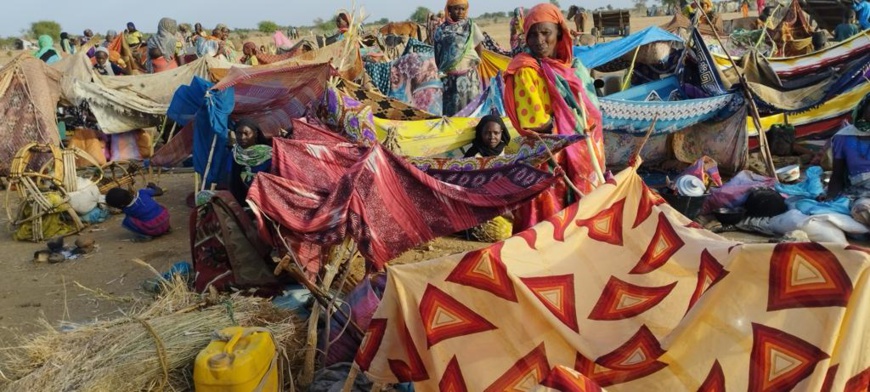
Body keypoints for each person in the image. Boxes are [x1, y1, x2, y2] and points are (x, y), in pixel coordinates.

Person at [503, 2, 604, 233]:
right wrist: (573, 124)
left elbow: (590, 112)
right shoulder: (525, 69)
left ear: (559, 32)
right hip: (547, 160)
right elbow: (538, 123)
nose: (539, 40)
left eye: (546, 33)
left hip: (572, 152)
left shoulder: (571, 68)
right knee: (547, 223)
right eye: (533, 34)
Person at [434, 0, 484, 116]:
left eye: (463, 9)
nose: (460, 12)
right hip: (450, 79)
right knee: (452, 111)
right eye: (456, 9)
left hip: (469, 76)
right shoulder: (441, 30)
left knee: (472, 109)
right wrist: (443, 69)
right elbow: (438, 53)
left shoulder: (471, 26)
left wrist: (475, 64)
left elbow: (478, 46)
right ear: (449, 10)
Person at [825, 95, 870, 225]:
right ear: (863, 109)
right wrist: (830, 198)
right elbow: (838, 174)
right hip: (862, 194)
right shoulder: (843, 137)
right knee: (862, 210)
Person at [229, 119, 272, 204]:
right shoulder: (235, 153)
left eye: (246, 133)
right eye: (239, 133)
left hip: (264, 200)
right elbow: (230, 178)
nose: (242, 137)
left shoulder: (269, 154)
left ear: (255, 134)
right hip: (241, 200)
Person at [105, 185, 170, 241]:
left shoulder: (128, 209)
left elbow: (125, 210)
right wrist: (153, 186)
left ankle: (145, 236)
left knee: (127, 222)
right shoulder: (142, 192)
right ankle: (167, 229)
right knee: (156, 209)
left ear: (121, 205)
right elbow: (160, 192)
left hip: (154, 228)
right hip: (165, 220)